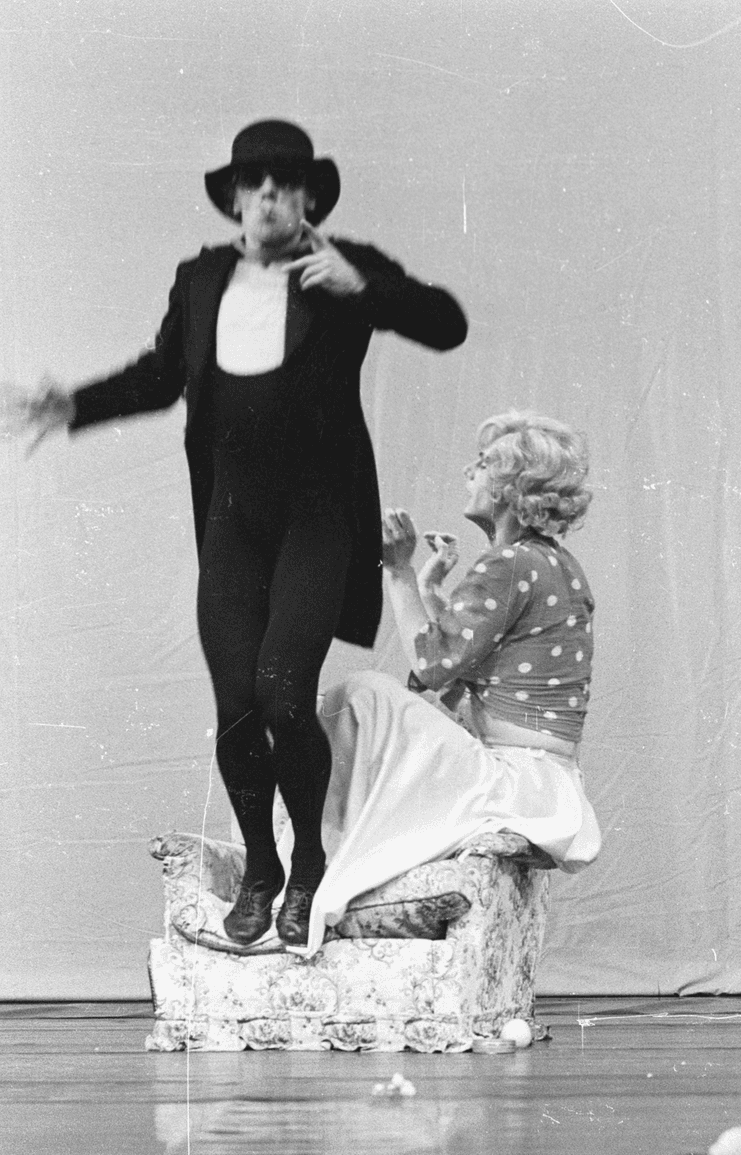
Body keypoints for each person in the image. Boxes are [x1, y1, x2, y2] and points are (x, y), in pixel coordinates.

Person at [17, 119, 468, 947]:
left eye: (286, 183)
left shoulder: (345, 269)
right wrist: (73, 403)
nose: (268, 194)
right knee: (235, 708)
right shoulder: (200, 278)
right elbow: (161, 377)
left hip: (319, 517)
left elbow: (448, 323)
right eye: (254, 182)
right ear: (233, 198)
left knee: (282, 693)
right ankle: (263, 865)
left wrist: (361, 288)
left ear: (307, 200)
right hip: (232, 519)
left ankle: (309, 870)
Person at [292, 409, 601, 956]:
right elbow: (467, 669)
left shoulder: (508, 564)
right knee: (368, 709)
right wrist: (434, 585)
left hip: (509, 779)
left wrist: (400, 571)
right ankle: (325, 851)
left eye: (483, 465)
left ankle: (316, 860)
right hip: (543, 783)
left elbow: (433, 666)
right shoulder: (551, 563)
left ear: (511, 488)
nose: (468, 471)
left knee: (357, 695)